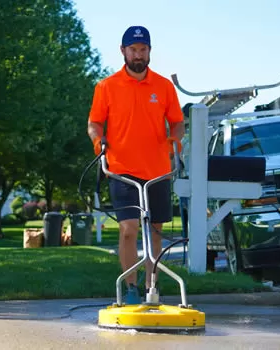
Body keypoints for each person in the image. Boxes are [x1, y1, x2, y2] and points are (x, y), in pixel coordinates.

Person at [87, 25, 185, 304]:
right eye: (133, 50)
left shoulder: (163, 86)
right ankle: (130, 287)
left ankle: (151, 287)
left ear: (150, 51)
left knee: (155, 231)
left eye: (143, 50)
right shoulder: (106, 87)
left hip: (157, 170)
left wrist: (174, 143)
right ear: (123, 51)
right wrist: (99, 143)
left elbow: (177, 122)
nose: (138, 55)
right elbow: (94, 122)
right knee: (129, 229)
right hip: (122, 169)